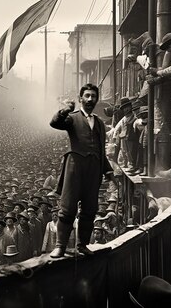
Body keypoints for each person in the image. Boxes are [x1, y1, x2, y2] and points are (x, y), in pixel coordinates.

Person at [49, 85, 114, 258]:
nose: (90, 99)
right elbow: (54, 123)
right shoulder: (72, 118)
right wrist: (64, 110)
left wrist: (108, 171)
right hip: (75, 169)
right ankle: (60, 246)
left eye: (93, 96)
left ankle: (82, 245)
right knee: (67, 209)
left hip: (93, 172)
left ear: (96, 99)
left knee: (90, 210)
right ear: (80, 99)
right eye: (87, 96)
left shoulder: (100, 123)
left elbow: (101, 151)